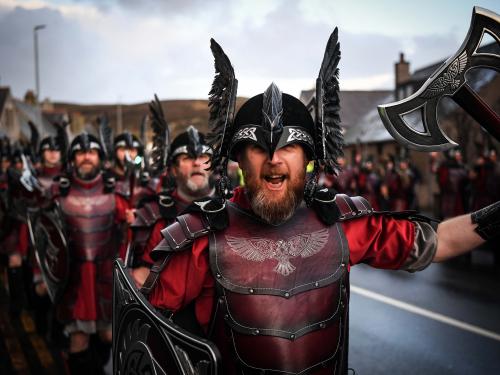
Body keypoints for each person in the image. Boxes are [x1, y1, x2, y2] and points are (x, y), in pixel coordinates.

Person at [136, 32, 500, 375]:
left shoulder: (341, 223)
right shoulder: (200, 238)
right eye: (260, 149)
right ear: (240, 161)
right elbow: (142, 331)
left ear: (308, 158)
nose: (274, 160)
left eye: (289, 148)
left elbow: (441, 242)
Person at [50, 133, 128, 374]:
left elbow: (129, 234)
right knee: (79, 338)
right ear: (72, 158)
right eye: (81, 153)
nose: (86, 157)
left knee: (109, 336)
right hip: (74, 280)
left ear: (100, 157)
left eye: (91, 152)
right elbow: (47, 238)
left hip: (105, 278)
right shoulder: (58, 193)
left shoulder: (115, 193)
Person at [129, 125, 214, 288]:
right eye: (187, 157)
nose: (196, 163)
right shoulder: (154, 214)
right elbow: (141, 279)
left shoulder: (231, 208)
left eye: (203, 156)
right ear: (174, 170)